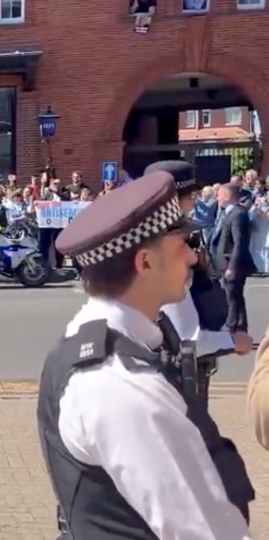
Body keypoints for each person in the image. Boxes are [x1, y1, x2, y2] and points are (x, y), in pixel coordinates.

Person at [39, 171, 252, 538]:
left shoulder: (99, 338)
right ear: (145, 263)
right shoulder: (122, 385)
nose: (191, 257)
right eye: (181, 244)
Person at [147, 160, 256, 521]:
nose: (192, 254)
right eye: (190, 196)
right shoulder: (166, 259)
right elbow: (188, 341)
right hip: (179, 383)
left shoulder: (153, 244)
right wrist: (234, 341)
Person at [213, 184, 256, 333]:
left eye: (219, 195)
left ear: (227, 196)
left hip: (233, 263)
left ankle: (231, 325)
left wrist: (232, 266)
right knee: (235, 295)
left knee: (231, 296)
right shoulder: (228, 213)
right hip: (226, 262)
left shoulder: (237, 214)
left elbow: (239, 243)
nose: (217, 198)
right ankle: (241, 325)